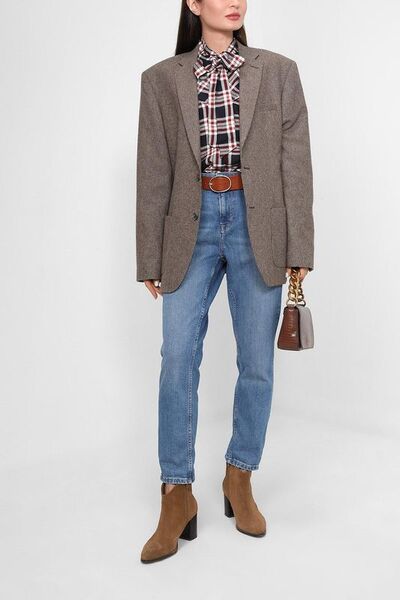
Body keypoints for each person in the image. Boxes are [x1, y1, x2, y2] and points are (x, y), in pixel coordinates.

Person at [136, 0, 314, 563]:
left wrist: (299, 247)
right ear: (193, 3)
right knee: (177, 358)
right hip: (188, 225)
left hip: (257, 222)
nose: (234, 1)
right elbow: (153, 168)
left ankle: (239, 477)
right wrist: (148, 254)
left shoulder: (278, 71)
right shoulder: (161, 79)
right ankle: (176, 493)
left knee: (257, 361)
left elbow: (295, 163)